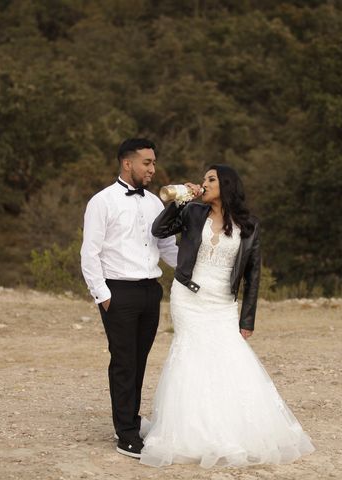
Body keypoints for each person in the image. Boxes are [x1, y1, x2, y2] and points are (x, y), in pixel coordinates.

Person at [141, 164, 314, 468]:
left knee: (228, 357)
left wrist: (247, 319)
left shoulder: (249, 224)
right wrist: (179, 200)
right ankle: (189, 433)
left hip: (222, 303)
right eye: (204, 179)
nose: (204, 183)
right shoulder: (192, 212)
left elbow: (253, 274)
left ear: (227, 185)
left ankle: (230, 429)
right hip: (188, 297)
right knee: (191, 356)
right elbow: (159, 230)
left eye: (211, 179)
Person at [80, 138, 178, 459]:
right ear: (127, 163)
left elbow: (166, 248)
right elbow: (90, 253)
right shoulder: (102, 202)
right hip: (118, 292)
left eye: (153, 162)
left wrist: (194, 267)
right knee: (124, 362)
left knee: (139, 360)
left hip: (151, 291)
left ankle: (132, 419)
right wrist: (104, 296)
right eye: (147, 162)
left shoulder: (154, 203)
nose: (152, 168)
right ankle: (126, 434)